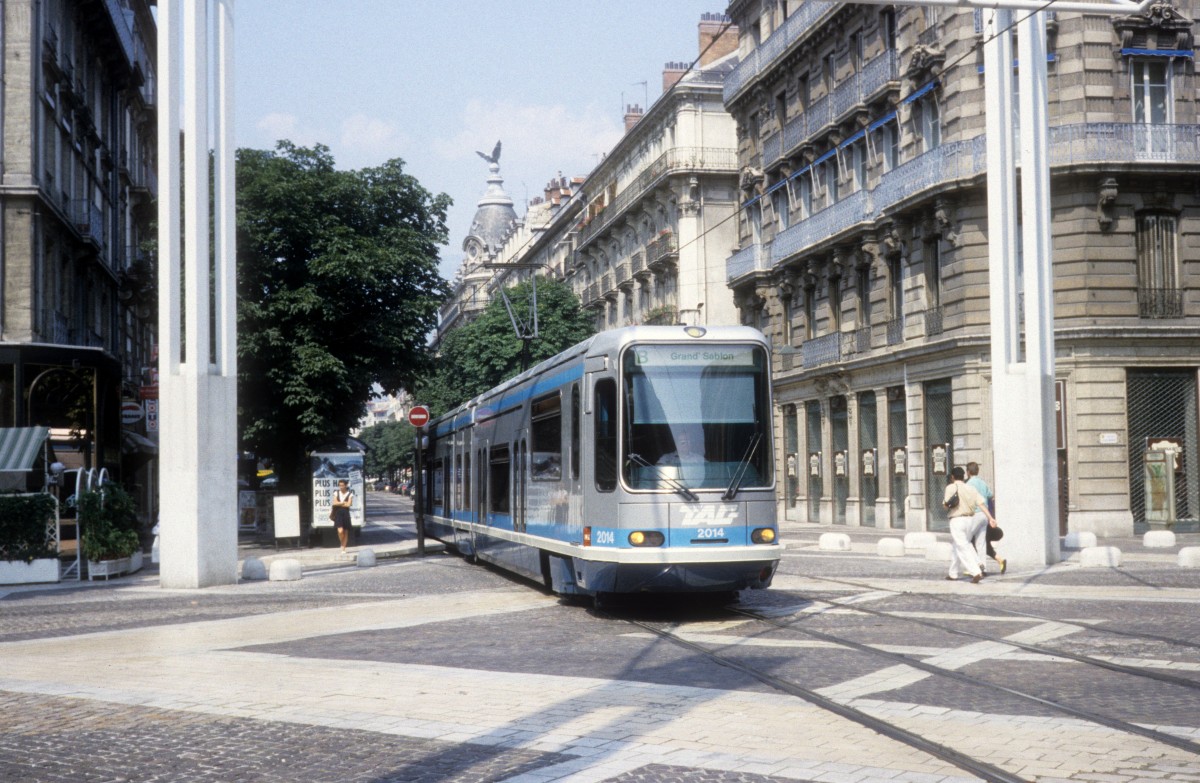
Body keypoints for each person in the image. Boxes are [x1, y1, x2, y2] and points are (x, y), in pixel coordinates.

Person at [943, 466, 997, 583]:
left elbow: (946, 505)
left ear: (952, 477)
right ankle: (953, 573)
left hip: (957, 520)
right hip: (970, 520)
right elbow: (982, 504)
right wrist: (991, 518)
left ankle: (976, 571)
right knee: (957, 546)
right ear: (964, 476)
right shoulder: (971, 488)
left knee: (962, 546)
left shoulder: (950, 487)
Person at [966, 461, 1005, 574]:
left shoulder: (968, 484)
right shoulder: (983, 483)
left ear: (968, 472)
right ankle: (983, 569)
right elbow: (990, 495)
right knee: (981, 543)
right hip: (984, 515)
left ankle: (975, 566)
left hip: (974, 514)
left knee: (967, 541)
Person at [331, 479, 354, 554]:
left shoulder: (350, 494)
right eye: (339, 485)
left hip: (346, 513)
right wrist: (343, 503)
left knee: (346, 531)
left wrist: (339, 503)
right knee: (340, 531)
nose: (341, 487)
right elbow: (334, 503)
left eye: (342, 485)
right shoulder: (336, 493)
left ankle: (343, 548)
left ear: (346, 485)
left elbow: (349, 504)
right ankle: (342, 543)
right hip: (338, 513)